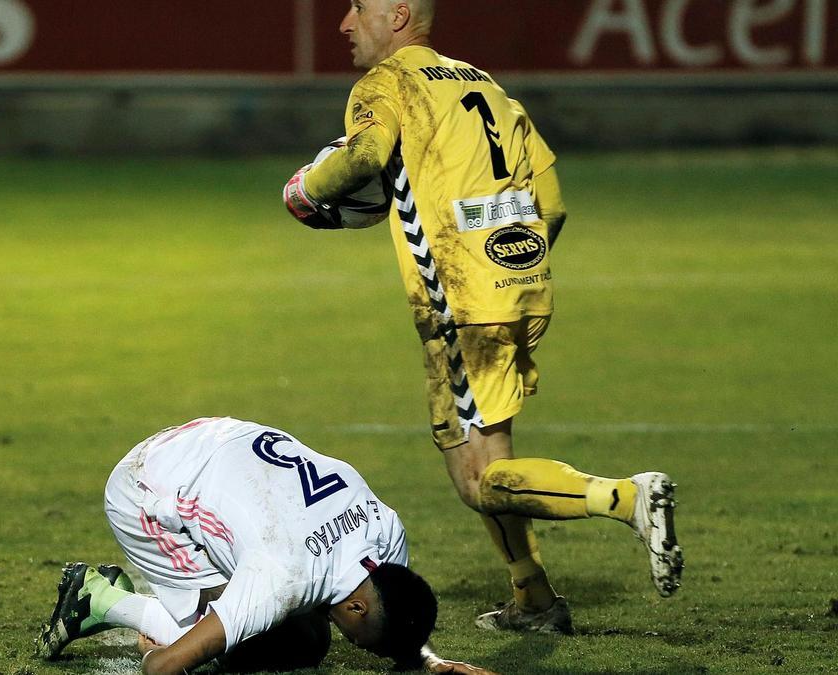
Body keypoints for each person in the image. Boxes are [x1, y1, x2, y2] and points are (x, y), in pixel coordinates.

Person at [282, 0, 682, 634]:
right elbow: (551, 204)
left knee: (476, 480)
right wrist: (510, 263)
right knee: (495, 456)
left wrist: (304, 191)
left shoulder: (387, 83)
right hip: (520, 290)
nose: (345, 24)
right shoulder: (483, 84)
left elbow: (362, 159)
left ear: (398, 15)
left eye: (358, 8)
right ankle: (535, 600)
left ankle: (626, 498)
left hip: (462, 304)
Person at [35, 417, 495, 674]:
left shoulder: (385, 533)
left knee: (308, 639)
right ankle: (100, 598)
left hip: (219, 440)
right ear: (356, 610)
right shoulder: (283, 576)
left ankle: (168, 610)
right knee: (224, 651)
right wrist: (156, 650)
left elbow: (394, 615)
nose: (365, 652)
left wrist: (431, 663)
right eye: (370, 648)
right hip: (147, 487)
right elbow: (162, 670)